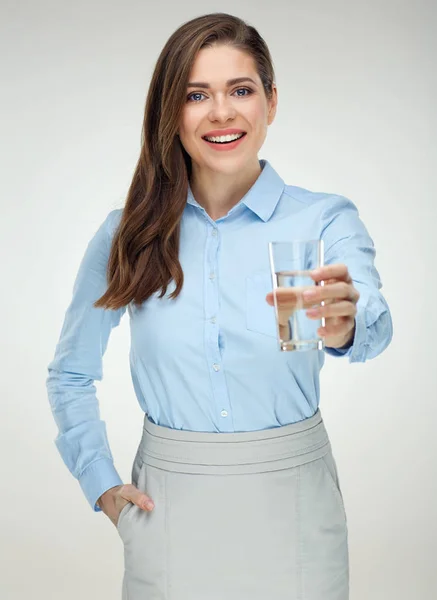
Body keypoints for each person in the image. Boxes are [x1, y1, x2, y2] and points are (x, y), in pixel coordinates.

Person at [46, 12, 393, 600]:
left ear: (271, 102)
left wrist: (343, 324)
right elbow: (70, 374)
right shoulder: (127, 234)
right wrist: (101, 483)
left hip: (297, 509)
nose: (222, 112)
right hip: (169, 514)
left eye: (241, 90)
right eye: (196, 95)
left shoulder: (322, 219)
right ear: (170, 113)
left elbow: (371, 321)